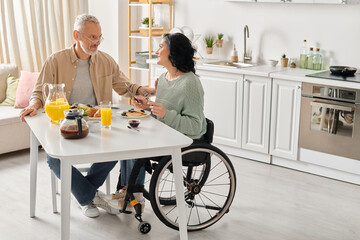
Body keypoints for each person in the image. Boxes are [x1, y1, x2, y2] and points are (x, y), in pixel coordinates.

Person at [19, 14, 154, 218]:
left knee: (118, 148)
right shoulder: (55, 60)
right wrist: (33, 104)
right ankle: (90, 197)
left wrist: (147, 92)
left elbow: (126, 86)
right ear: (76, 35)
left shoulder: (106, 60)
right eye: (92, 37)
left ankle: (85, 195)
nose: (97, 42)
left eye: (99, 37)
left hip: (97, 123)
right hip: (65, 124)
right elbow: (39, 91)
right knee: (55, 159)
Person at [109, 33, 207, 211]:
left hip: (183, 140)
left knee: (135, 142)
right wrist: (147, 107)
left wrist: (166, 114)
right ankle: (127, 189)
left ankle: (135, 193)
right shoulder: (163, 79)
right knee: (126, 136)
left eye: (161, 46)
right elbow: (159, 115)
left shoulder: (191, 84)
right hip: (162, 134)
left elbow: (195, 126)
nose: (156, 50)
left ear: (173, 52)